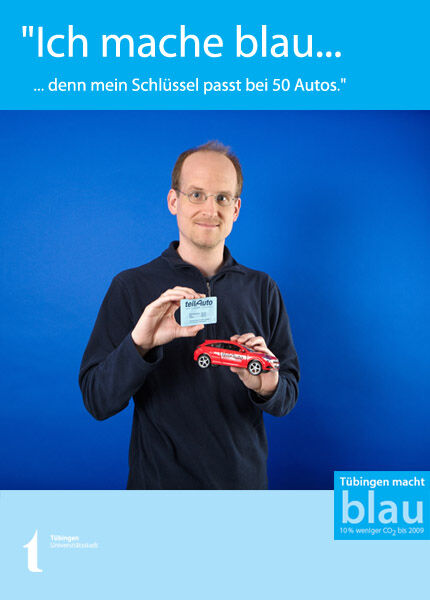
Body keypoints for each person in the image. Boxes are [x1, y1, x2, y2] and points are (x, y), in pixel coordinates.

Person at [79, 141, 299, 489]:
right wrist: (140, 344)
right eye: (196, 195)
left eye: (222, 198)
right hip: (158, 495)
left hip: (243, 495)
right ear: (173, 201)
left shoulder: (262, 288)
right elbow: (97, 401)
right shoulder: (131, 286)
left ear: (236, 209)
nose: (210, 209)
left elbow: (287, 395)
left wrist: (266, 384)